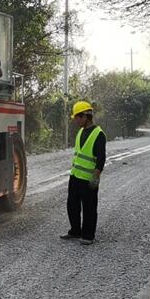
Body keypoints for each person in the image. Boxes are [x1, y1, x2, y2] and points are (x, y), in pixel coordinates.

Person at [60, 101, 106, 245]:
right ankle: (75, 231)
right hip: (75, 176)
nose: (75, 120)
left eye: (77, 118)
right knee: (72, 205)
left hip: (88, 178)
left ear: (85, 117)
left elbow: (101, 158)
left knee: (89, 208)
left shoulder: (99, 134)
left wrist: (96, 177)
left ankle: (88, 235)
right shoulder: (80, 131)